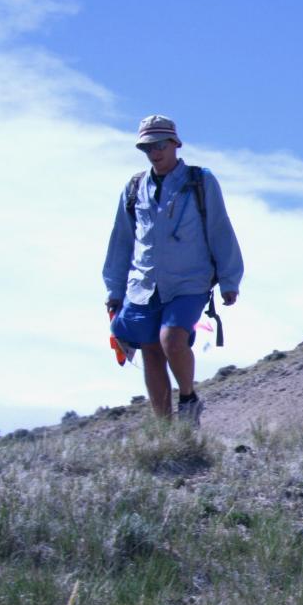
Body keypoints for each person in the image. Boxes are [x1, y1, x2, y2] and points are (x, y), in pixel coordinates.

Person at [102, 115, 243, 427]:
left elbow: (220, 229)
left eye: (161, 144)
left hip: (189, 282)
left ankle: (189, 397)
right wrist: (114, 291)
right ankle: (167, 432)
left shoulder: (200, 181)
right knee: (151, 351)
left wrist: (229, 280)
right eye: (148, 147)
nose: (155, 152)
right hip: (144, 286)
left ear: (175, 144)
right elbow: (122, 241)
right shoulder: (134, 187)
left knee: (171, 339)